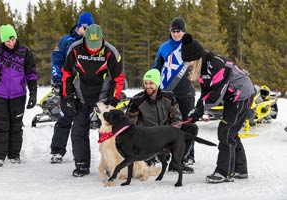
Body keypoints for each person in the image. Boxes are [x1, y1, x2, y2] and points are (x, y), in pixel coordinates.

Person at [181, 33, 256, 183]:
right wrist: (198, 108)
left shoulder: (216, 65)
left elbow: (216, 93)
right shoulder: (203, 67)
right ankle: (240, 169)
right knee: (231, 132)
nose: (188, 64)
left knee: (226, 131)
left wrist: (201, 109)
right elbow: (206, 92)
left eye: (189, 61)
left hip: (241, 94)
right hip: (233, 96)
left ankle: (224, 172)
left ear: (196, 58)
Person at [62, 24, 125, 177]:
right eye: (91, 45)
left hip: (102, 99)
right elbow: (66, 74)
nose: (93, 49)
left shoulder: (111, 52)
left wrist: (114, 98)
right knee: (78, 131)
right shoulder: (75, 49)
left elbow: (118, 78)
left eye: (96, 46)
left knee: (108, 134)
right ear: (85, 39)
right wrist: (68, 95)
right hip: (81, 96)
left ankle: (111, 165)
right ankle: (82, 164)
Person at [126, 69, 198, 174]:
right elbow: (129, 124)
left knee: (191, 128)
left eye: (151, 83)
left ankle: (176, 163)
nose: (148, 86)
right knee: (147, 169)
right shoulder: (137, 100)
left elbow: (176, 117)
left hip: (166, 136)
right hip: (147, 139)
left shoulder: (169, 97)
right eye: (146, 83)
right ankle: (150, 159)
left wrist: (171, 131)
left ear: (157, 83)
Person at [0, 24, 37, 167]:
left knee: (16, 126)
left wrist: (33, 93)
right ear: (3, 41)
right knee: (0, 125)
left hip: (18, 95)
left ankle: (14, 155)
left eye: (13, 39)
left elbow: (31, 74)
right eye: (8, 40)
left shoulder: (25, 52)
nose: (11, 43)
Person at [50, 12, 94, 164]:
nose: (86, 31)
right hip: (67, 85)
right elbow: (56, 61)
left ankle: (81, 155)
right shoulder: (66, 41)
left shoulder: (93, 42)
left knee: (82, 123)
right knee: (64, 117)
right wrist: (57, 79)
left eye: (90, 28)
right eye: (84, 27)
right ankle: (57, 150)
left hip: (84, 88)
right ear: (78, 26)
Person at [153, 17, 196, 165]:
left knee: (187, 123)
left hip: (187, 92)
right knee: (168, 124)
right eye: (173, 31)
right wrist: (152, 81)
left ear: (184, 31)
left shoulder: (190, 45)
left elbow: (199, 65)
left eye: (179, 31)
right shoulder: (164, 47)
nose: (176, 34)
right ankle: (166, 153)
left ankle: (188, 155)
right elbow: (157, 67)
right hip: (168, 92)